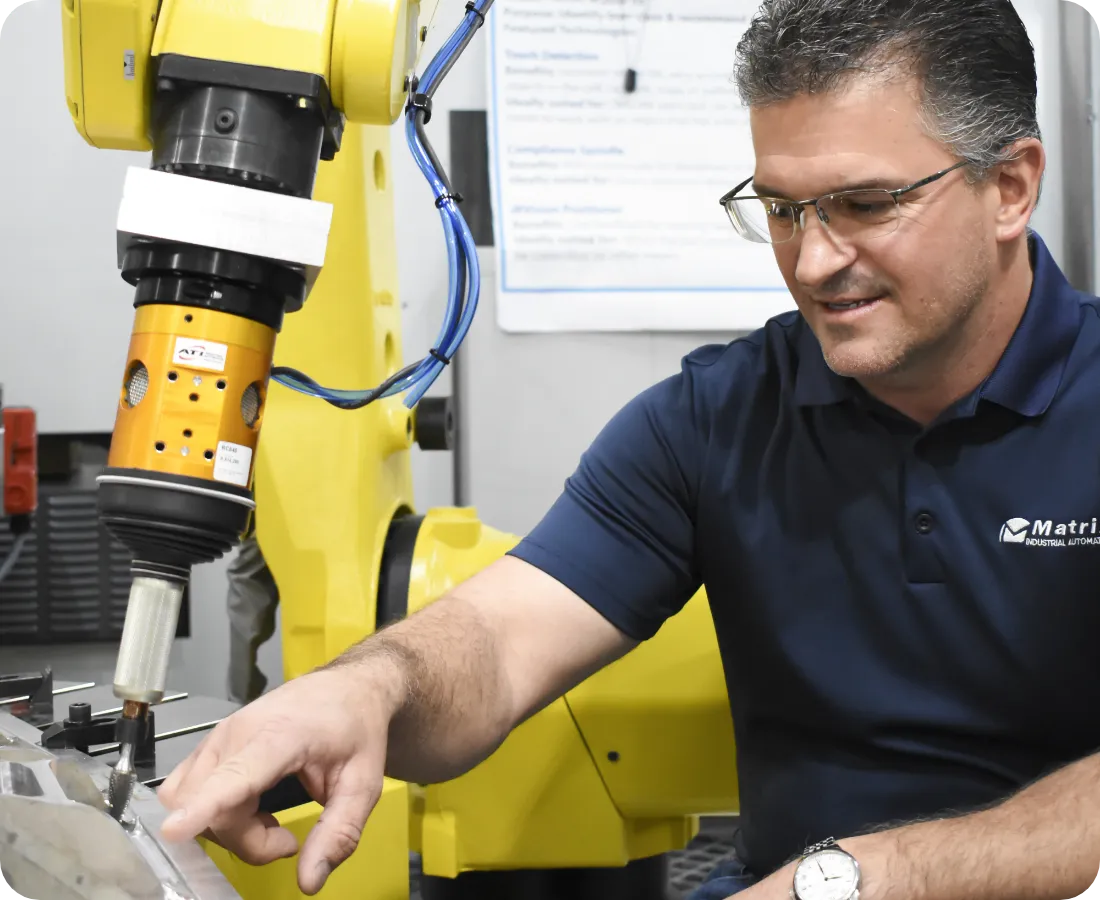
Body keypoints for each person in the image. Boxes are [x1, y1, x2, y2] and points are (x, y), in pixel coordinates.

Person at [156, 1, 1100, 898]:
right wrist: (366, 690)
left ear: (1009, 187)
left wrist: (870, 878)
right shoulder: (717, 417)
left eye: (863, 203)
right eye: (781, 209)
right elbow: (499, 640)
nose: (813, 261)